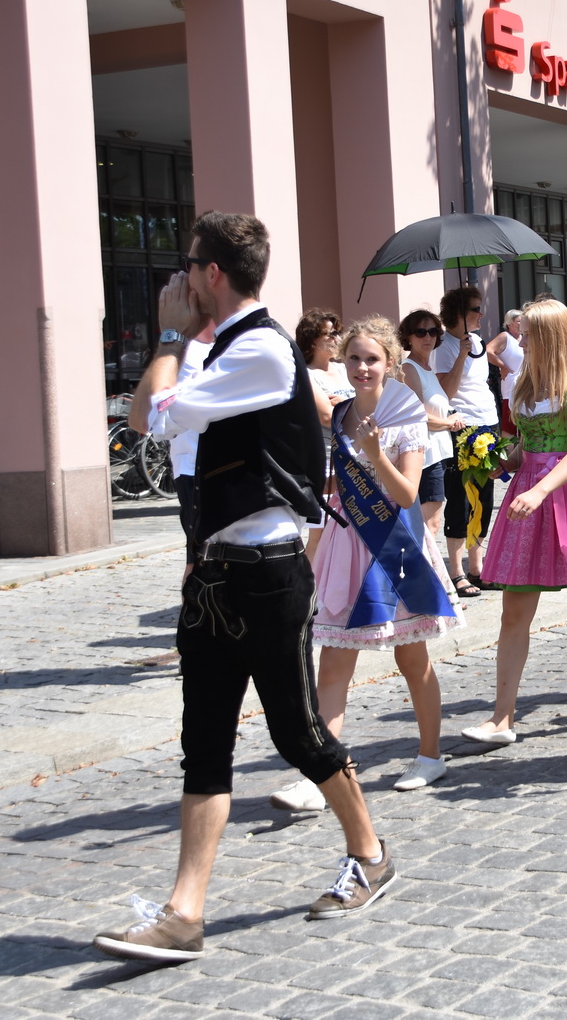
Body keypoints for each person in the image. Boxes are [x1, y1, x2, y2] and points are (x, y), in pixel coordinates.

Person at [97, 211, 392, 965]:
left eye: (188, 266)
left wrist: (167, 336)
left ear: (213, 274)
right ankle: (183, 912)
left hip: (267, 574)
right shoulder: (218, 349)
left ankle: (370, 850)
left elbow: (148, 417)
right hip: (213, 572)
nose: (180, 281)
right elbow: (180, 444)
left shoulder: (259, 350)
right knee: (204, 741)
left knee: (297, 732)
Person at [461, 300, 567, 745]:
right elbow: (525, 447)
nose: (522, 341)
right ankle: (502, 718)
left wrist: (538, 489)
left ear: (552, 335)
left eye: (530, 333)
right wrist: (497, 461)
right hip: (529, 493)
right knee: (513, 611)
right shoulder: (525, 383)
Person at [302, 317, 461, 796]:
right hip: (346, 539)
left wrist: (376, 451)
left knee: (412, 658)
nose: (362, 367)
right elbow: (338, 480)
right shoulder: (342, 410)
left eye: (372, 359)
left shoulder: (406, 410)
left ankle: (431, 755)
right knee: (332, 663)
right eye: (353, 357)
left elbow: (409, 494)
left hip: (394, 546)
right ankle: (322, 775)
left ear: (390, 363)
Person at [434, 285, 498, 593]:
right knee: (459, 497)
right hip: (462, 427)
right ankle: (456, 570)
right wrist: (460, 354)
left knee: (484, 497)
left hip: (488, 423)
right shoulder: (443, 346)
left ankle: (477, 567)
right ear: (459, 314)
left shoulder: (478, 341)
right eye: (475, 308)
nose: (481, 313)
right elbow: (446, 391)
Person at [294, 309, 353, 561]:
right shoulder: (306, 374)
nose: (336, 338)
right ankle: (309, 590)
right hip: (326, 460)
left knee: (349, 530)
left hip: (354, 454)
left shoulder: (342, 369)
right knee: (321, 531)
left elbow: (370, 401)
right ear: (311, 340)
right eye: (329, 334)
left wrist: (347, 402)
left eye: (337, 332)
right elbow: (328, 417)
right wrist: (352, 404)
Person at [398, 310, 462, 535]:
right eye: (420, 332)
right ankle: (423, 567)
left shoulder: (427, 369)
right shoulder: (408, 368)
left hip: (437, 452)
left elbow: (447, 396)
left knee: (431, 520)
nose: (428, 337)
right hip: (424, 454)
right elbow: (417, 415)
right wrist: (449, 423)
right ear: (408, 337)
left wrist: (462, 355)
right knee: (428, 523)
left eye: (433, 331)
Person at [165, 320, 215, 576]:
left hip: (222, 463)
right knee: (197, 556)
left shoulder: (227, 347)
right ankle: (194, 615)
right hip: (192, 463)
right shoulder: (185, 351)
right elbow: (168, 404)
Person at [486, 308, 526, 432]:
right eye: (519, 321)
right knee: (510, 428)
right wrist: (502, 366)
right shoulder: (505, 337)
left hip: (525, 387)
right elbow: (488, 351)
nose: (521, 324)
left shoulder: (523, 338)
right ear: (509, 323)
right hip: (511, 388)